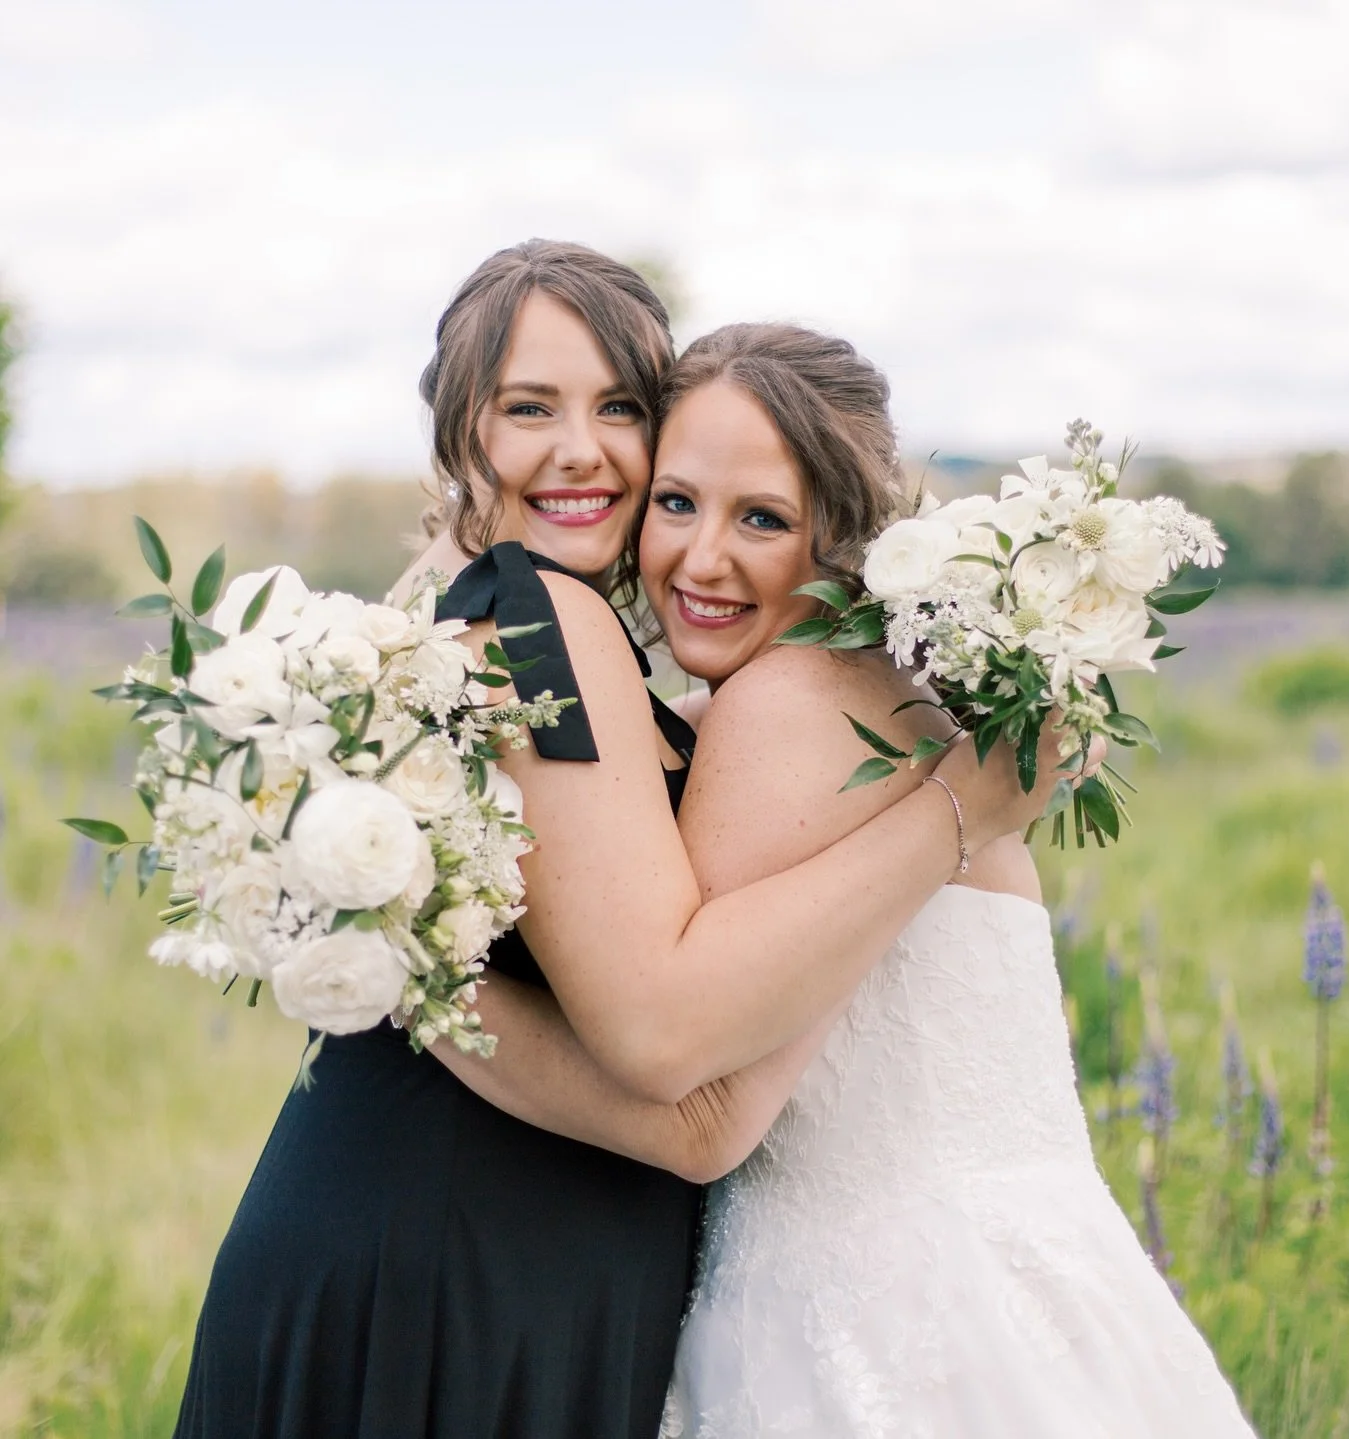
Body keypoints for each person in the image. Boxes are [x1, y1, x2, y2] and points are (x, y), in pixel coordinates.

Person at [172, 242, 1063, 1439]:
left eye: (621, 408)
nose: (582, 449)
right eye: (528, 406)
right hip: (462, 1266)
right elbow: (673, 1060)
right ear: (460, 431)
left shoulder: (447, 617)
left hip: (432, 1237)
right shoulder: (544, 618)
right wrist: (967, 808)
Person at [434, 320, 1258, 1438]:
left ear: (843, 541)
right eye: (676, 502)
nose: (702, 559)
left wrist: (408, 964)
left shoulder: (788, 702)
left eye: (762, 519)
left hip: (879, 1320)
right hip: (1032, 1287)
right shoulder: (878, 689)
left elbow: (697, 1102)